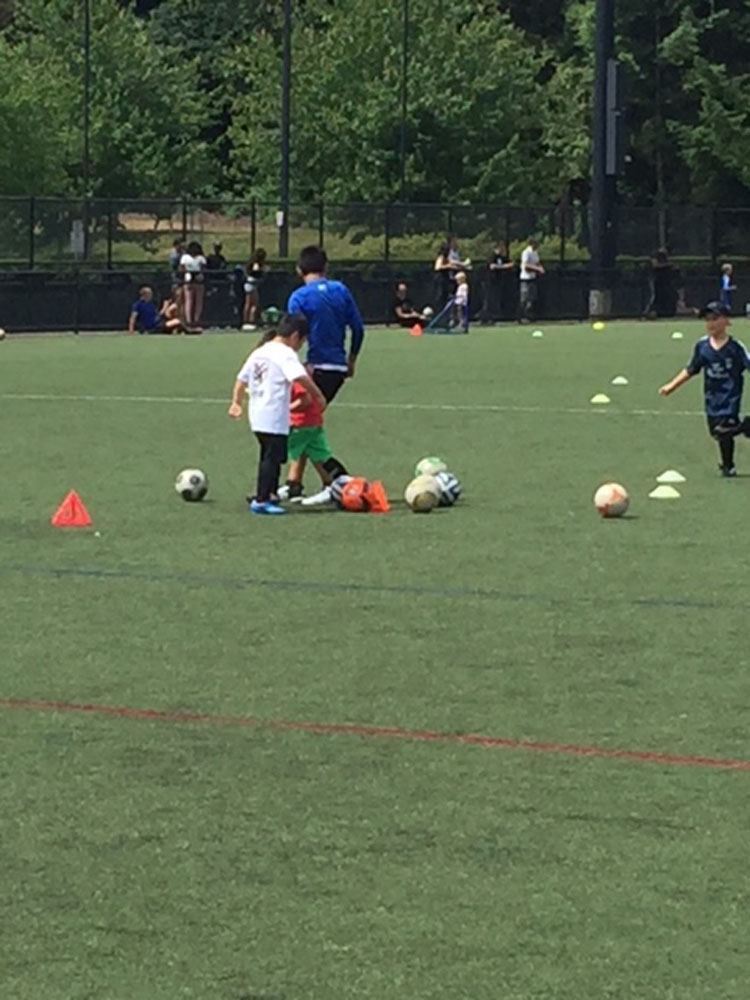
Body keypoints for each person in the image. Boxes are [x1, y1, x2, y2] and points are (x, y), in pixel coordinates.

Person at [227, 313, 327, 515]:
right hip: (273, 414)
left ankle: (269, 493)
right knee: (272, 458)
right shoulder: (285, 353)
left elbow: (241, 379)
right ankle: (262, 499)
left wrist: (236, 402)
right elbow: (300, 377)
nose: (301, 345)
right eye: (303, 340)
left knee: (270, 455)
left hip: (257, 413)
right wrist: (318, 395)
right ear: (295, 336)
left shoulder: (260, 351)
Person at [658, 301, 750, 477]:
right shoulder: (703, 347)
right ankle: (728, 466)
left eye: (715, 318)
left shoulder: (735, 347)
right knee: (719, 434)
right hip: (711, 400)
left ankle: (744, 427)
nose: (711, 323)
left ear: (727, 321)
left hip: (730, 399)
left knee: (723, 430)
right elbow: (691, 369)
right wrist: (671, 386)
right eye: (708, 319)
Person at [286, 245, 365, 404]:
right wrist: (351, 361)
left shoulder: (298, 297)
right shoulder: (341, 290)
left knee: (295, 418)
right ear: (326, 267)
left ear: (299, 270)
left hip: (315, 366)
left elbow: (293, 336)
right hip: (338, 368)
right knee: (309, 418)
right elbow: (358, 329)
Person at [277, 380, 350, 506]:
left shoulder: (294, 375)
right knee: (317, 453)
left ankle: (333, 487)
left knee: (286, 452)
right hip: (311, 422)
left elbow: (305, 399)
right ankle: (295, 486)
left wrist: (284, 410)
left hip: (301, 423)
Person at [483, 241, 515, 321]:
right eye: (501, 248)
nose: (503, 249)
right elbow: (492, 266)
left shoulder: (502, 257)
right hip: (490, 282)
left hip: (498, 282)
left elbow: (510, 263)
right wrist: (504, 266)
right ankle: (485, 318)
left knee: (495, 300)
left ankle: (493, 317)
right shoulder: (492, 256)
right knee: (489, 300)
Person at [180, 240, 207, 329]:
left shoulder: (187, 257)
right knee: (195, 301)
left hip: (193, 278)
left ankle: (191, 321)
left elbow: (182, 268)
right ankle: (194, 320)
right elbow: (203, 268)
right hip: (192, 278)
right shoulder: (200, 258)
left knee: (190, 301)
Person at [643, 248, 677, 318]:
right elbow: (655, 265)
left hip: (664, 283)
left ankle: (666, 312)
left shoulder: (666, 260)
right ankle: (648, 312)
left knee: (668, 297)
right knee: (654, 296)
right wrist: (669, 265)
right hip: (655, 281)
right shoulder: (654, 258)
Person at [242, 248, 269, 331]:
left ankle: (245, 321)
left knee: (248, 304)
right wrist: (264, 271)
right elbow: (256, 272)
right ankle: (250, 322)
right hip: (252, 285)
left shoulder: (251, 263)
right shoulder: (256, 264)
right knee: (254, 304)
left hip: (248, 284)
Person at [519, 238, 544, 323]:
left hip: (533, 278)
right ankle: (521, 316)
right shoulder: (526, 252)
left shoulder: (535, 253)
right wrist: (537, 268)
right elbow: (526, 266)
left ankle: (529, 316)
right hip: (526, 278)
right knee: (524, 299)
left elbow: (537, 262)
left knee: (532, 299)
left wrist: (540, 267)